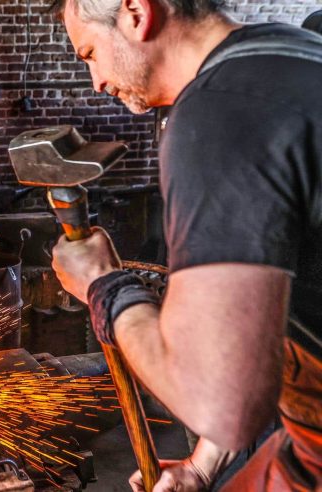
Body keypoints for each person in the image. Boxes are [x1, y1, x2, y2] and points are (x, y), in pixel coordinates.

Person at [48, 0, 322, 490]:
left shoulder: (219, 117)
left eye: (90, 53)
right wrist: (203, 464)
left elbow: (224, 409)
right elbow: (251, 318)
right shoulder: (290, 56)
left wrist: (104, 288)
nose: (97, 81)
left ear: (135, 12)